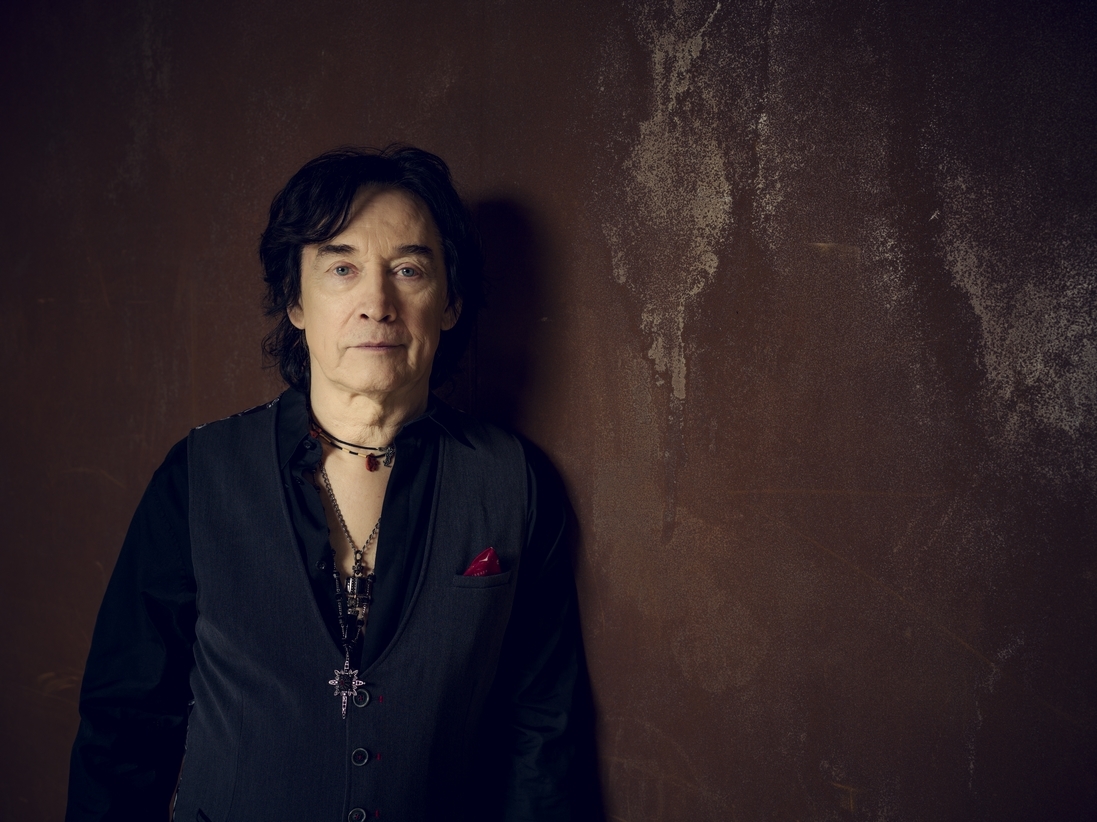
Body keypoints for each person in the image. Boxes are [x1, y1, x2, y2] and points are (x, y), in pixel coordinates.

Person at [66, 146, 583, 821]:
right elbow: (125, 727)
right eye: (342, 268)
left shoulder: (513, 482)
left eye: (408, 269)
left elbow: (542, 734)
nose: (377, 304)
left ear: (450, 302)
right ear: (296, 302)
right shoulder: (198, 475)